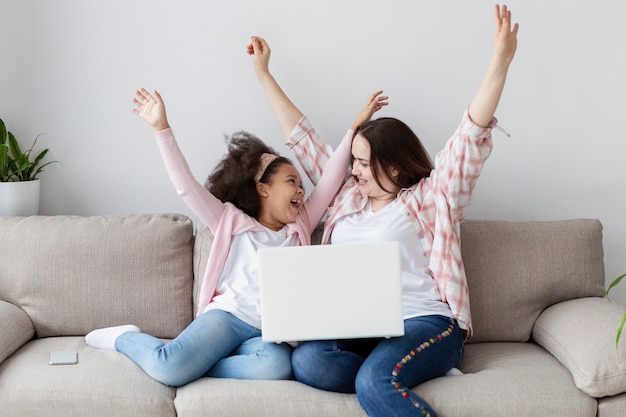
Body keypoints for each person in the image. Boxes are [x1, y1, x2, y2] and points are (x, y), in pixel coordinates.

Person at [249, 4, 519, 416]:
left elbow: (469, 137)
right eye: (352, 160)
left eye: (361, 161)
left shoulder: (430, 198)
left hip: (424, 321)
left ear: (393, 165)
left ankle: (388, 374)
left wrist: (499, 60)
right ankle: (400, 372)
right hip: (359, 328)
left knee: (373, 382)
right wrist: (264, 75)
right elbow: (302, 139)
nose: (352, 169)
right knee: (307, 361)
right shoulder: (345, 197)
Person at [84, 81, 382, 386]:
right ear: (263, 188)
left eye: (301, 184)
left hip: (268, 333)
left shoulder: (301, 224)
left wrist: (356, 128)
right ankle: (124, 338)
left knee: (276, 369)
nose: (301, 189)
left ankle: (204, 366)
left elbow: (331, 179)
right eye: (291, 181)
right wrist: (162, 128)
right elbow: (186, 187)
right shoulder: (230, 219)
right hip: (227, 318)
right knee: (169, 368)